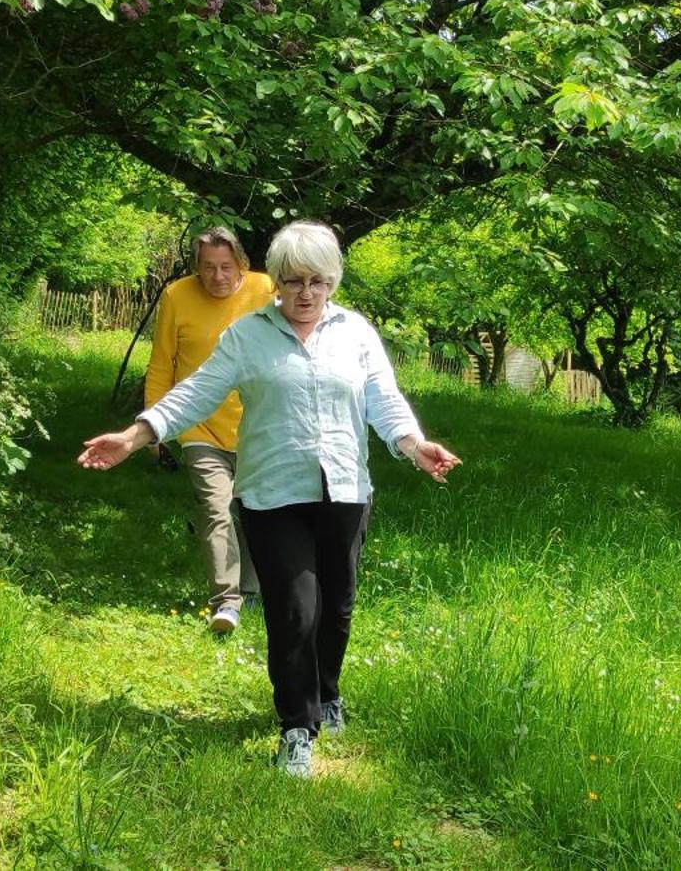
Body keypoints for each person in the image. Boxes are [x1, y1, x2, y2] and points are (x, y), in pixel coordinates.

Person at [79, 220, 461, 778]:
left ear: (332, 281)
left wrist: (414, 444)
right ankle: (296, 729)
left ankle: (327, 691)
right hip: (272, 493)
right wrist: (136, 435)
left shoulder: (356, 333)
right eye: (293, 281)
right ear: (274, 282)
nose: (306, 293)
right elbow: (195, 393)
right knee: (293, 611)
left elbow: (384, 400)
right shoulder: (246, 335)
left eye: (318, 281)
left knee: (337, 609)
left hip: (345, 489)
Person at [145, 227, 277, 634]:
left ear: (241, 263)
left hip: (258, 425)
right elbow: (162, 363)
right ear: (196, 269)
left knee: (257, 511)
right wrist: (153, 424)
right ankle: (227, 601)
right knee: (216, 507)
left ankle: (252, 591)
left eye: (225, 267)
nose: (218, 276)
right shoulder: (177, 296)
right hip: (199, 426)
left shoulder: (266, 289)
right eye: (207, 268)